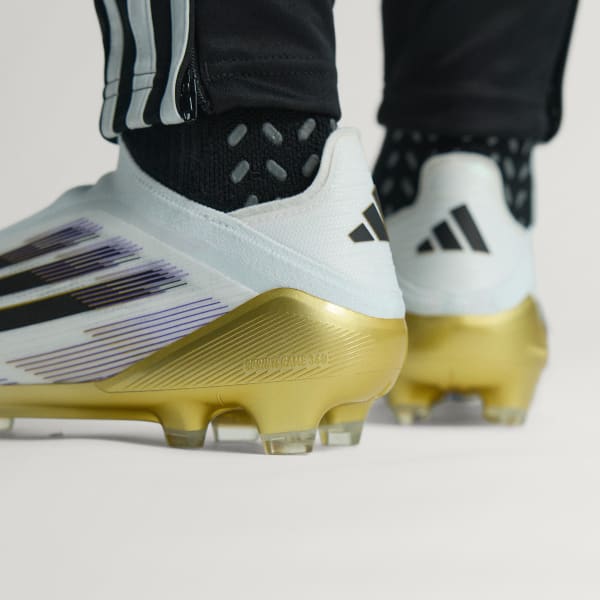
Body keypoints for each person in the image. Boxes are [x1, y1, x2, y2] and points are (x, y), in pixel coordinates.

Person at [0, 1, 578, 452]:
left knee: (233, 120)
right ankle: (462, 178)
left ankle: (212, 183)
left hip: (212, 213)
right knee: (466, 112)